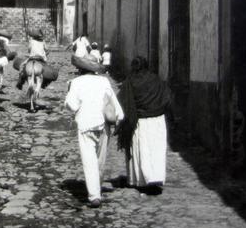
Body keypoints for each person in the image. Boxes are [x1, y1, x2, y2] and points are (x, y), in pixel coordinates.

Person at [65, 54, 124, 208]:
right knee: (100, 159)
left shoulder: (76, 82)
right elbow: (113, 102)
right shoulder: (104, 81)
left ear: (80, 68)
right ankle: (97, 186)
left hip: (85, 125)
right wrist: (119, 117)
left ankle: (94, 196)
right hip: (104, 124)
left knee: (89, 159)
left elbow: (72, 105)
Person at [117, 56, 171, 194]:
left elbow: (123, 102)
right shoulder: (155, 80)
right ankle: (155, 176)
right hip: (157, 121)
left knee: (142, 150)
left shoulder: (130, 82)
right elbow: (166, 98)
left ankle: (141, 179)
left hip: (140, 122)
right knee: (156, 150)